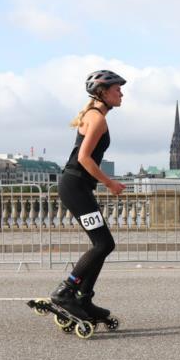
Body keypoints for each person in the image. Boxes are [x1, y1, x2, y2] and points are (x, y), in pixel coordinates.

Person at [48, 70, 127, 326]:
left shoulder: (93, 115)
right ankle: (66, 292)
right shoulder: (98, 119)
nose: (121, 94)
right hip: (75, 187)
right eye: (117, 90)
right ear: (102, 92)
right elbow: (84, 158)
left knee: (103, 244)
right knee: (103, 245)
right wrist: (110, 183)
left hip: (77, 187)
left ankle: (82, 298)